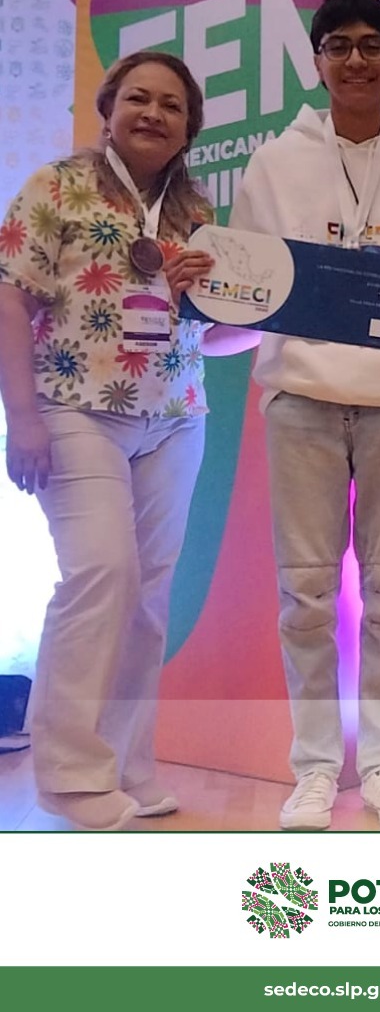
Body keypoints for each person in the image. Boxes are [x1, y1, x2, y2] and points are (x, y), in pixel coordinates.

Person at [227, 0, 380, 831]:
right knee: (305, 593)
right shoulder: (274, 162)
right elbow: (246, 281)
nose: (356, 60)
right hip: (300, 397)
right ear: (318, 60)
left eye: (372, 45)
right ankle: (316, 768)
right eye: (339, 46)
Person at [0, 51, 228, 830]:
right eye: (138, 98)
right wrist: (21, 417)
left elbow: (219, 333)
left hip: (176, 415)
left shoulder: (196, 210)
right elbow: (10, 299)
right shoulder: (57, 185)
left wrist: (245, 312)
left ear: (189, 127)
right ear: (109, 109)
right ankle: (69, 775)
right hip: (74, 409)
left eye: (171, 105)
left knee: (148, 596)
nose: (153, 113)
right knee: (102, 572)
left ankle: (128, 766)